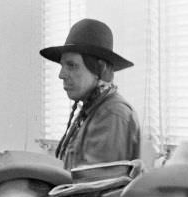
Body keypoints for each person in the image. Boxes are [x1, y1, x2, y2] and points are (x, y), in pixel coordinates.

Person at [40, 18, 140, 169]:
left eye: (72, 65)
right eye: (62, 65)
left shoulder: (112, 114)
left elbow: (94, 187)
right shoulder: (92, 110)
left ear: (99, 69)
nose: (61, 75)